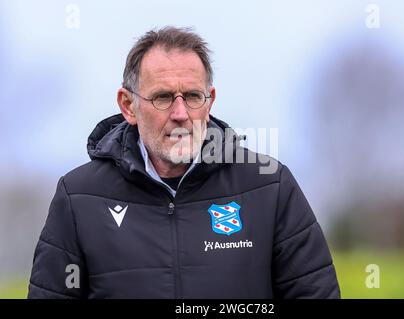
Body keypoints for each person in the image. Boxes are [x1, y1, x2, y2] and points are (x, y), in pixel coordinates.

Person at [28, 26, 340, 299]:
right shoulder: (79, 197)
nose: (180, 114)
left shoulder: (270, 187)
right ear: (128, 105)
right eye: (162, 97)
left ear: (210, 100)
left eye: (192, 96)